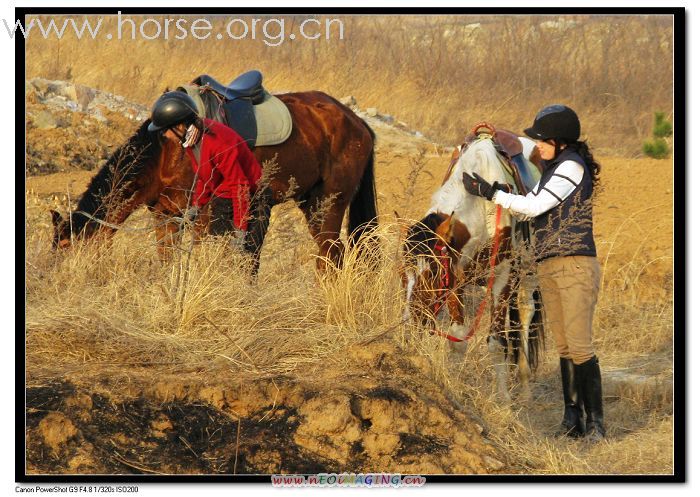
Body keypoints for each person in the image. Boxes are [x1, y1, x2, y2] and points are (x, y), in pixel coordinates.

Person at [462, 104, 605, 442]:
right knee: (566, 347)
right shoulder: (556, 168)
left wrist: (490, 192)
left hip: (574, 265)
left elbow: (535, 207)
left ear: (559, 140)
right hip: (552, 264)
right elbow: (529, 212)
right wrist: (498, 195)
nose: (537, 146)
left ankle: (597, 425)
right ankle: (573, 421)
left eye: (542, 141)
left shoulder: (570, 167)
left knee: (580, 347)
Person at [147, 91, 271, 257]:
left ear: (179, 126)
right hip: (224, 197)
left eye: (165, 131)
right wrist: (196, 206)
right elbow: (206, 176)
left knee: (245, 258)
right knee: (218, 251)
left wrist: (241, 231)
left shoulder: (218, 144)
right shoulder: (191, 139)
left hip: (252, 198)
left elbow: (240, 186)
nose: (164, 135)